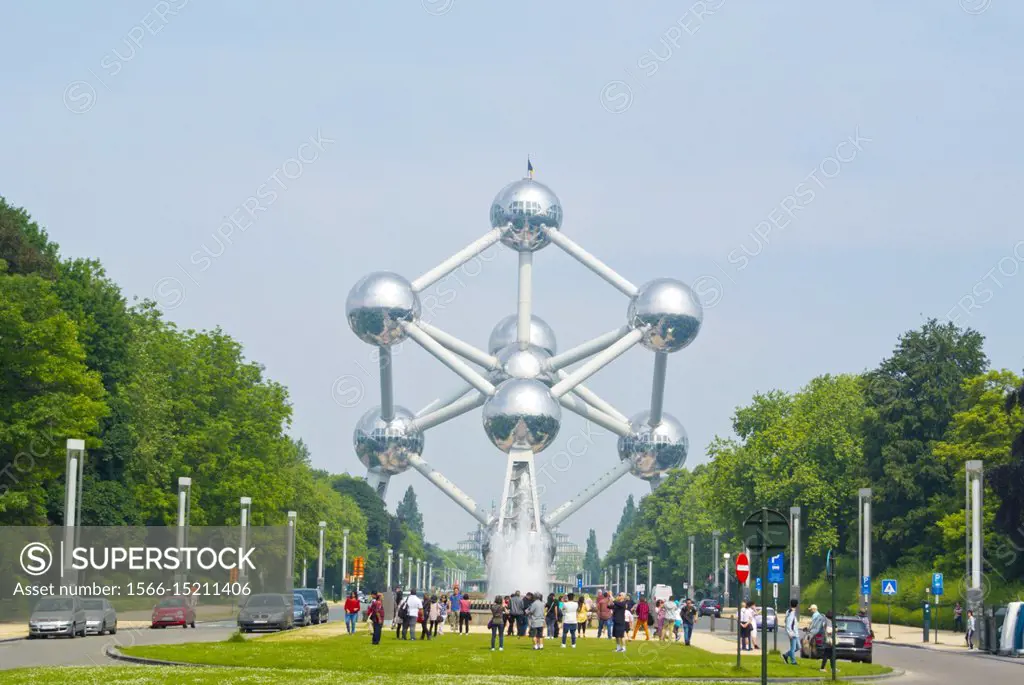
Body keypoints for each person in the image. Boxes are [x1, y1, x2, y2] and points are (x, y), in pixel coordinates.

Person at [782, 599, 800, 665]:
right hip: (793, 633)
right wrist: (790, 633)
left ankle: (786, 655)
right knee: (793, 648)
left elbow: (786, 621)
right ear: (797, 605)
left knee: (798, 647)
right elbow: (788, 624)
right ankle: (793, 661)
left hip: (796, 632)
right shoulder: (791, 613)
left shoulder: (790, 611)